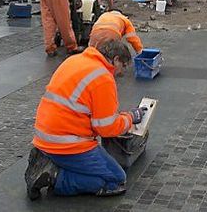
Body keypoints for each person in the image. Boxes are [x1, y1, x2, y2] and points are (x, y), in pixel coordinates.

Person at [25, 38, 146, 199]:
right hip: (68, 144)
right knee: (116, 179)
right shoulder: (102, 78)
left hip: (46, 136)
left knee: (98, 170)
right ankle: (55, 176)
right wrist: (131, 117)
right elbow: (106, 128)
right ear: (115, 59)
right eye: (123, 66)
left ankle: (49, 161)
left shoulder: (75, 60)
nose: (121, 73)